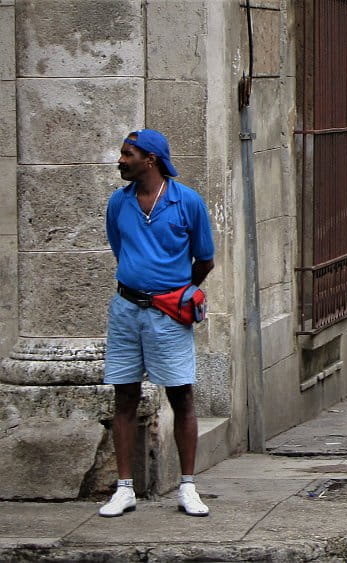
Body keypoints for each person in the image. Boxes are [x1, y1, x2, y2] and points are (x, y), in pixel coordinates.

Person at [99, 129, 215, 517]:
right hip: (127, 310)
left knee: (181, 394)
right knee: (125, 394)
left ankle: (187, 486)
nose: (120, 160)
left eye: (126, 154)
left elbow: (205, 259)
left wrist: (180, 293)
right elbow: (121, 249)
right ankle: (124, 488)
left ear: (150, 159)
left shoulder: (187, 202)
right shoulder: (119, 203)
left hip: (169, 313)